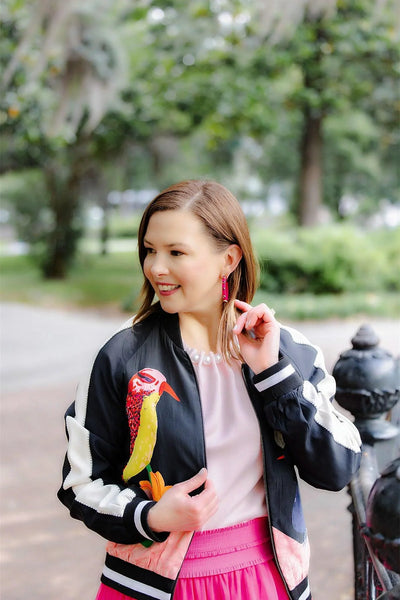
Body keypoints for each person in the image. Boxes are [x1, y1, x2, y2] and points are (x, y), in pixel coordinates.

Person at [58, 179, 362, 600]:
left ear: (228, 259)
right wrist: (151, 515)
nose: (155, 268)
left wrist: (273, 373)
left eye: (176, 252)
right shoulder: (122, 357)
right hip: (152, 585)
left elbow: (338, 466)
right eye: (150, 250)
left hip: (266, 580)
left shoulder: (287, 351)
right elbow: (80, 483)